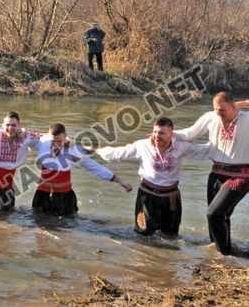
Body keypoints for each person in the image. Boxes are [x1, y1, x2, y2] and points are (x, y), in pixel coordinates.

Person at [96, 117, 213, 235]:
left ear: (171, 135)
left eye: (161, 133)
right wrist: (97, 151)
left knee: (171, 236)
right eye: (155, 132)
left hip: (170, 198)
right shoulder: (143, 145)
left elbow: (206, 151)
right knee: (143, 234)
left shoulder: (181, 147)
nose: (157, 136)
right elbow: (120, 153)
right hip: (147, 196)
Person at [173, 92, 249, 255]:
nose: (218, 114)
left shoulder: (246, 119)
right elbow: (188, 134)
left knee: (214, 214)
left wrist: (242, 103)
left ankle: (225, 256)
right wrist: (166, 133)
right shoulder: (211, 117)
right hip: (215, 174)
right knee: (219, 218)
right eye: (216, 109)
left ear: (234, 107)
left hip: (240, 176)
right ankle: (218, 253)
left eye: (222, 110)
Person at [32, 122, 132, 217]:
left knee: (63, 228)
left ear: (65, 136)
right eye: (53, 141)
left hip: (63, 196)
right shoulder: (42, 141)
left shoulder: (74, 151)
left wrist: (120, 181)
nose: (56, 144)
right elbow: (25, 138)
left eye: (59, 141)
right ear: (49, 136)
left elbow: (95, 168)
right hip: (42, 193)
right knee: (38, 224)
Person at [0, 113, 42, 213]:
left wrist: (67, 141)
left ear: (19, 125)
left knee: (7, 217)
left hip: (7, 189)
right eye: (7, 125)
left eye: (14, 125)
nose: (10, 128)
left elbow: (49, 137)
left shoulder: (26, 138)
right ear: (3, 125)